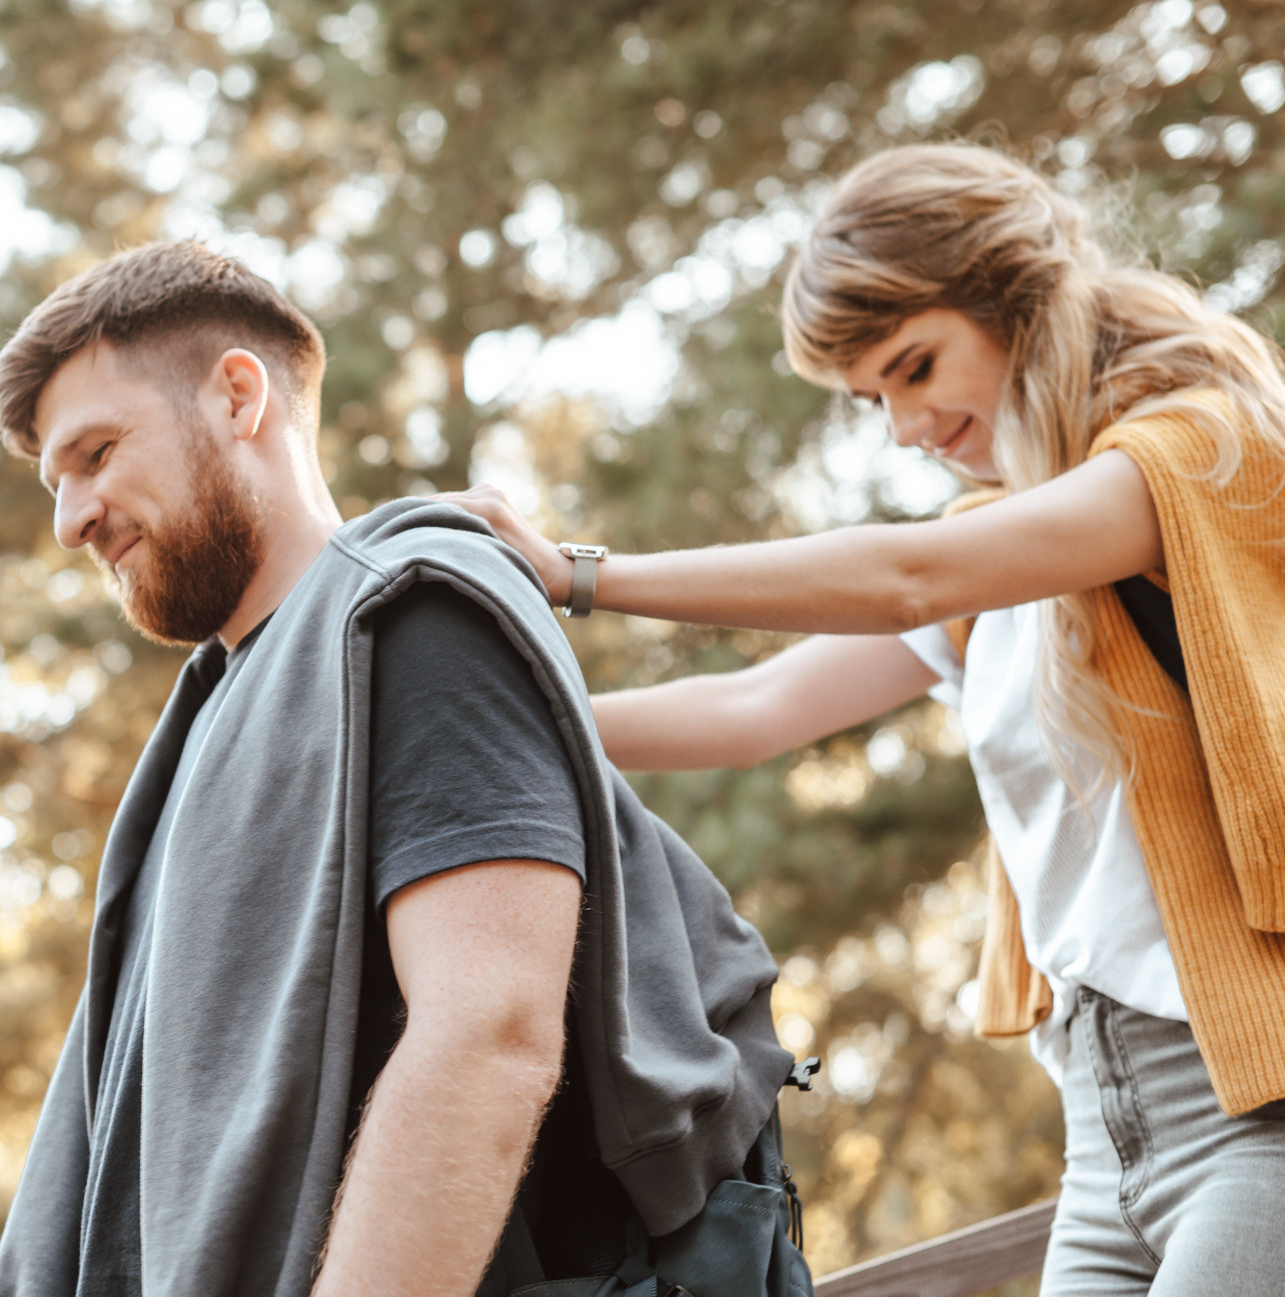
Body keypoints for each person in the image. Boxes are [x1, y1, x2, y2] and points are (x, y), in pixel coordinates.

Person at [443, 142, 1285, 1296]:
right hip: (1103, 1139)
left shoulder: (1189, 457)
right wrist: (488, 727)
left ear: (1022, 305)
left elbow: (911, 575)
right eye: (871, 397)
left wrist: (581, 574)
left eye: (915, 366)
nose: (903, 424)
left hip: (1257, 1109)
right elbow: (755, 706)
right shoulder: (1009, 563)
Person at [0, 241, 797, 1297]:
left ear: (238, 397)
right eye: (57, 482)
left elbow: (487, 1032)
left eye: (96, 453)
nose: (70, 520)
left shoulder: (408, 615)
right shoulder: (217, 719)